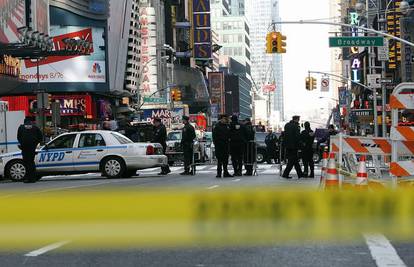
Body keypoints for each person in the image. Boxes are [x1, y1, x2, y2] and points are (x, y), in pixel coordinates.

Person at [17, 118, 43, 183]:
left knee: (26, 163)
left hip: (25, 148)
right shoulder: (35, 127)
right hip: (32, 148)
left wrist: (22, 143)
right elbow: (40, 137)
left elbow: (18, 137)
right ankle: (33, 178)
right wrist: (35, 143)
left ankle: (28, 178)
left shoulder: (21, 127)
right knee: (31, 162)